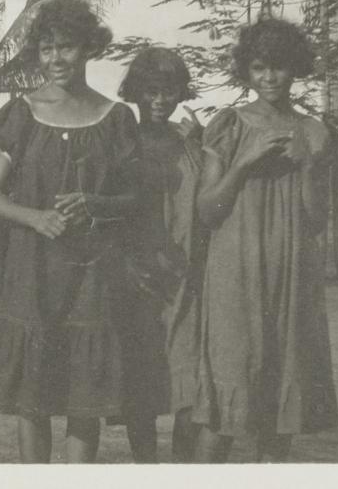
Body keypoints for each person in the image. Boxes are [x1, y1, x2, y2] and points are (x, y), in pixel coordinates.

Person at [0, 0, 141, 463]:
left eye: (67, 47)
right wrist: (36, 217)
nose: (56, 59)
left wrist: (96, 204)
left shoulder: (116, 118)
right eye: (47, 48)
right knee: (32, 399)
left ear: (89, 48)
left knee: (83, 401)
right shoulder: (19, 113)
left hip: (92, 275)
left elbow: (135, 201)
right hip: (31, 271)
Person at [192, 17, 338, 462]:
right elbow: (207, 210)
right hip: (235, 277)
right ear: (246, 71)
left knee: (279, 418)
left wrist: (307, 165)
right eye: (259, 68)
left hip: (292, 279)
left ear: (295, 68)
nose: (269, 77)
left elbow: (316, 221)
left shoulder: (314, 131)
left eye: (278, 67)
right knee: (221, 418)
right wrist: (243, 164)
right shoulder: (229, 125)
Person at [113, 47, 206, 463]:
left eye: (168, 91)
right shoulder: (120, 142)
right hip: (137, 279)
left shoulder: (187, 143)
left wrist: (201, 149)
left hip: (187, 275)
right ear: (135, 92)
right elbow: (107, 211)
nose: (159, 100)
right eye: (150, 90)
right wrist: (126, 263)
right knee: (141, 387)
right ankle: (147, 469)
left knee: (191, 381)